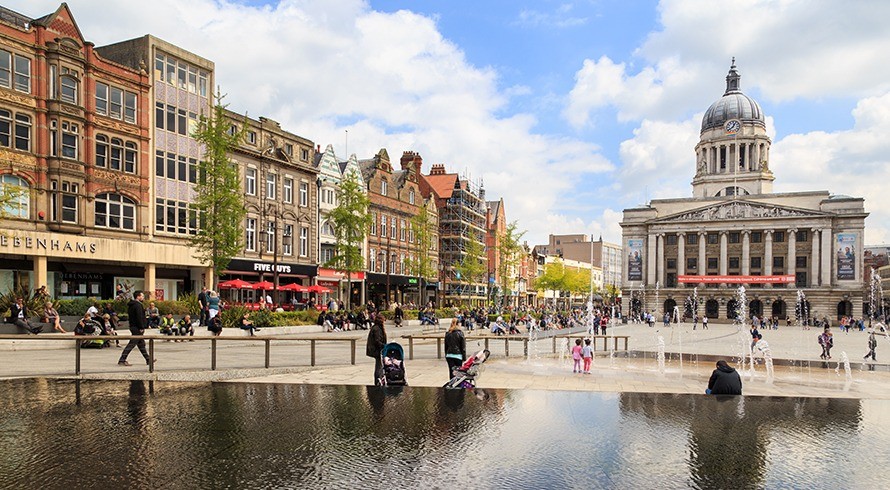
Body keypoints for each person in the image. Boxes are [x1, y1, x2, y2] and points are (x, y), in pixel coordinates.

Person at [118, 291, 152, 367]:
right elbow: (139, 317)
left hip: (133, 326)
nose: (143, 297)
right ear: (138, 296)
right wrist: (141, 327)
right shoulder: (138, 305)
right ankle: (122, 359)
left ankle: (148, 359)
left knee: (141, 344)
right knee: (132, 343)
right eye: (142, 296)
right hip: (137, 327)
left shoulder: (132, 305)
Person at [366, 316, 387, 385]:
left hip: (376, 349)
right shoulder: (377, 329)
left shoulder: (376, 328)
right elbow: (377, 341)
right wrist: (384, 346)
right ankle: (378, 380)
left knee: (379, 365)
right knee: (379, 366)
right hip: (376, 350)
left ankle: (379, 378)